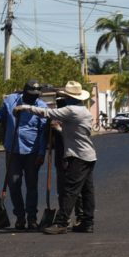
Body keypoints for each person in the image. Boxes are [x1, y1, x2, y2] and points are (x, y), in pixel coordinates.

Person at [15, 81, 97, 234]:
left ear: (70, 97)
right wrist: (58, 128)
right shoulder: (83, 110)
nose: (64, 98)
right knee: (87, 191)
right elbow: (74, 131)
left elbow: (46, 113)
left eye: (65, 96)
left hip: (78, 156)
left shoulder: (71, 110)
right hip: (89, 155)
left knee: (70, 191)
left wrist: (24, 107)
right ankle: (87, 222)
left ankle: (61, 223)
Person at [0, 79, 49, 230]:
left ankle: (32, 218)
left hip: (32, 152)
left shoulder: (41, 107)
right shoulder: (10, 100)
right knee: (14, 184)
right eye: (31, 95)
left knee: (31, 186)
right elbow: (0, 117)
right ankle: (20, 217)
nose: (34, 98)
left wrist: (41, 153)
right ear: (24, 92)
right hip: (13, 151)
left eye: (36, 95)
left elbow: (43, 133)